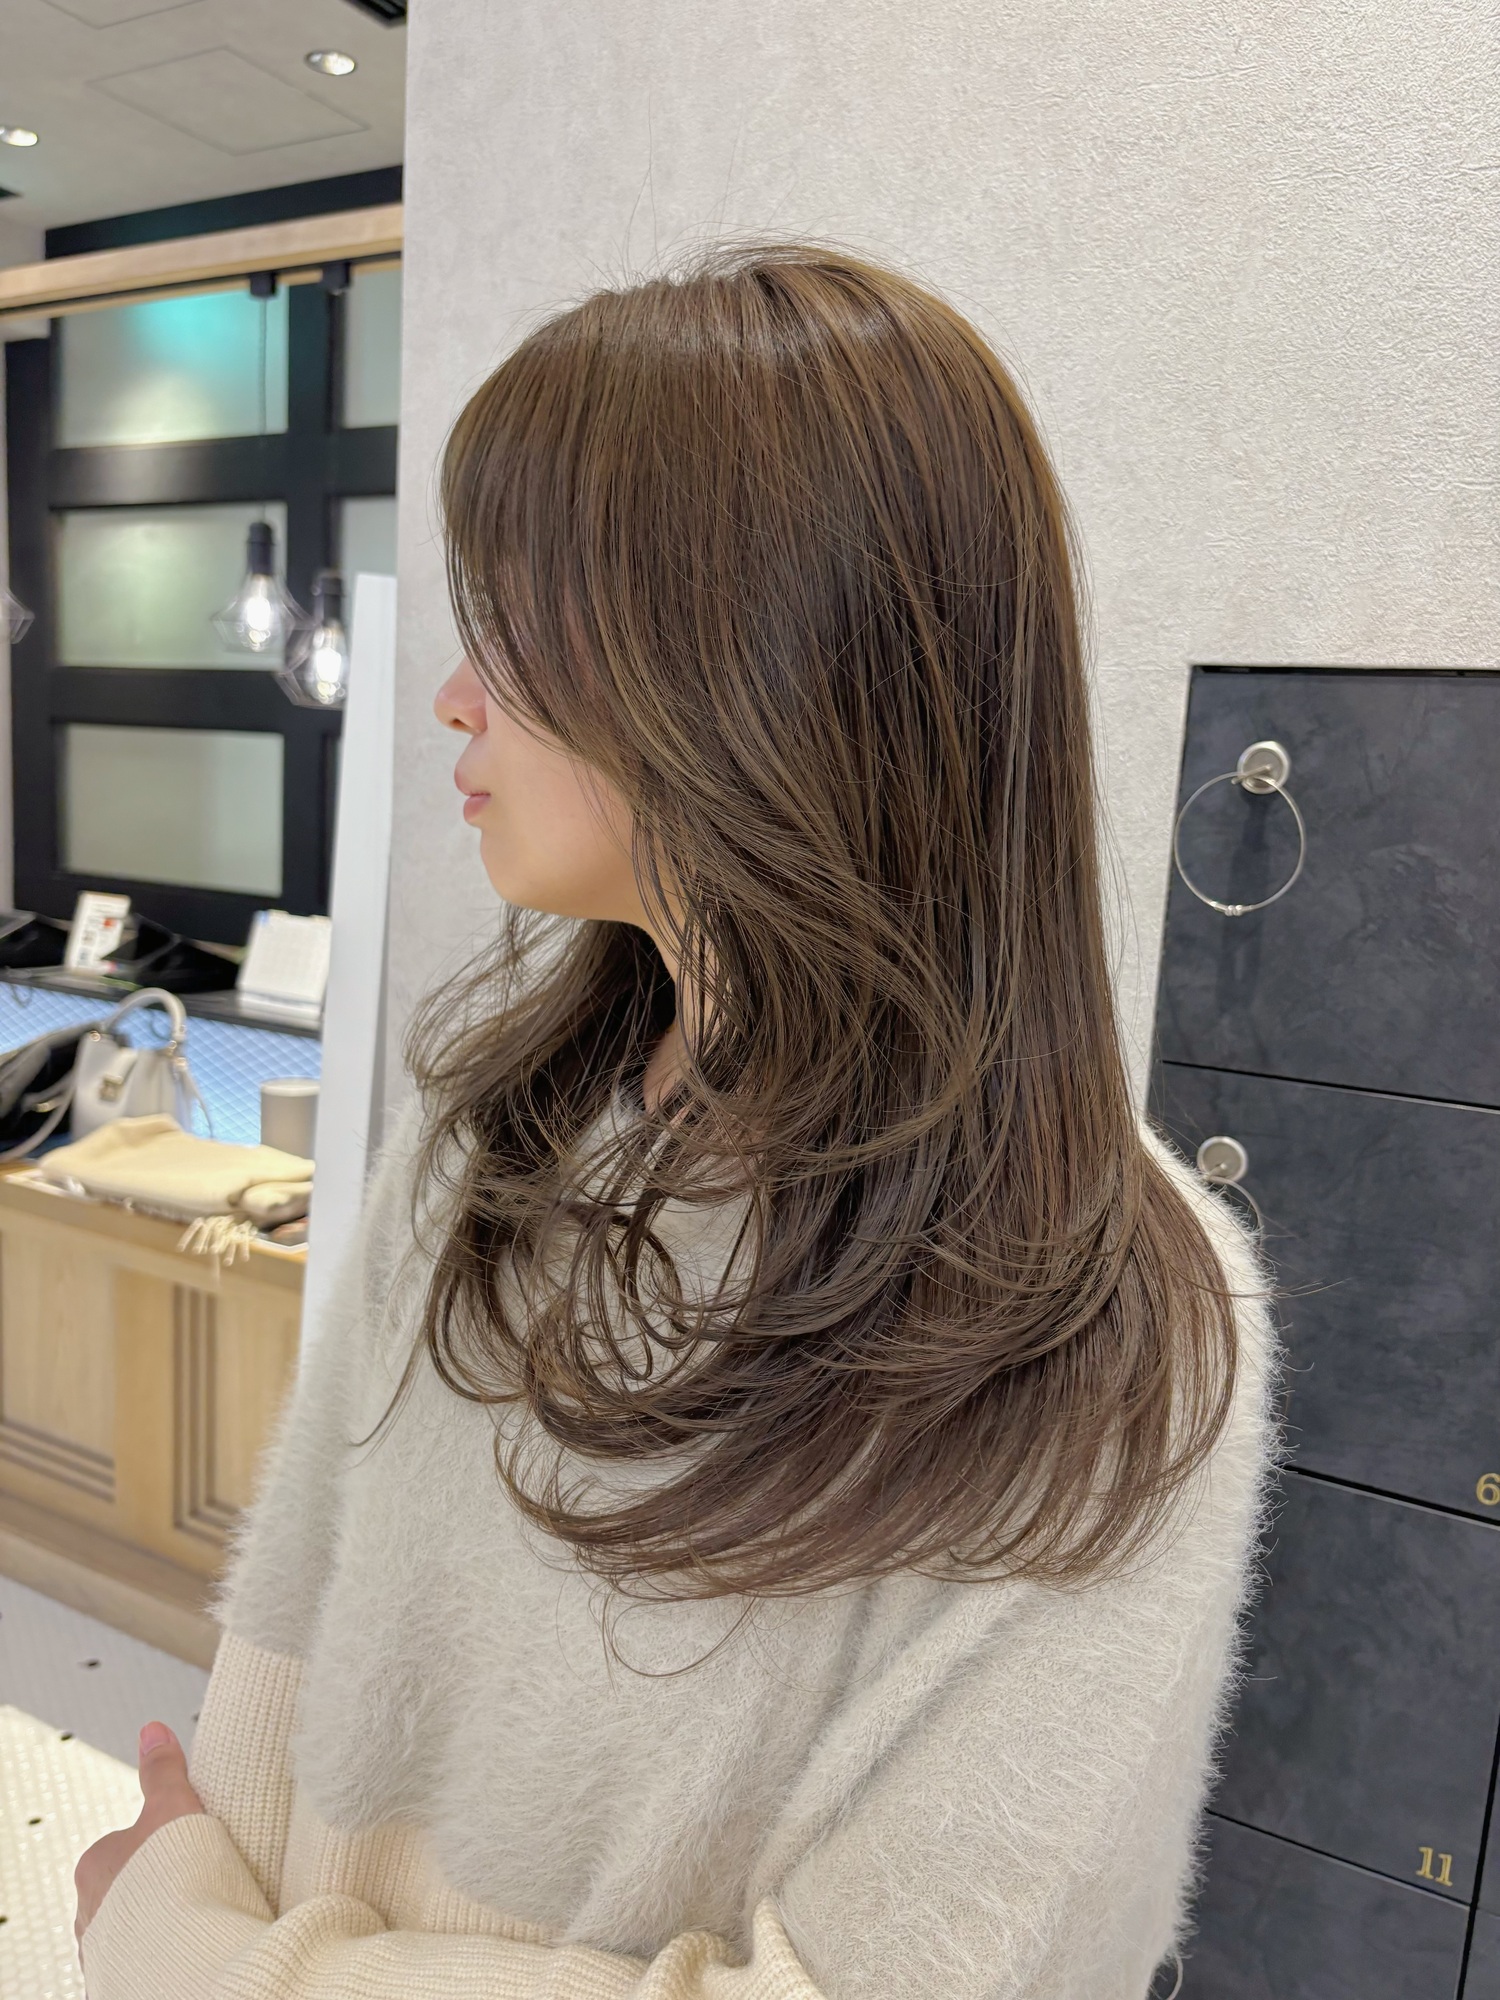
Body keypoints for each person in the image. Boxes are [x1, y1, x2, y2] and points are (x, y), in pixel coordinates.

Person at [75, 241, 1277, 2000]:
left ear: (752, 661)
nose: (454, 693)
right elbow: (294, 1643)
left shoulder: (1114, 1329)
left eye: (516, 624)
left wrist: (196, 1961)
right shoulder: (495, 1139)